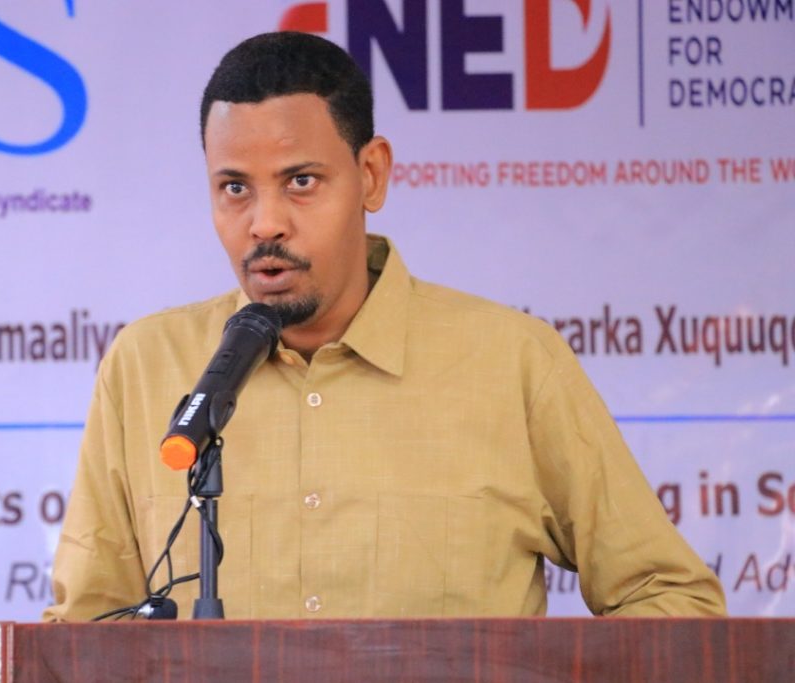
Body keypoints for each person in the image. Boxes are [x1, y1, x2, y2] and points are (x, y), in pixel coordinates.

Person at [43, 32, 725, 621]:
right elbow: (83, 633)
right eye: (234, 188)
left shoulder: (512, 361)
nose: (265, 221)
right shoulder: (145, 366)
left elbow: (671, 600)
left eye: (301, 181)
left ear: (370, 176)